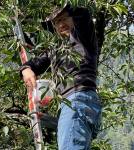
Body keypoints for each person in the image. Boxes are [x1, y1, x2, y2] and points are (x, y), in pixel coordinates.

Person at [20, 4, 102, 150]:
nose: (61, 24)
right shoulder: (56, 49)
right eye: (57, 22)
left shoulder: (81, 37)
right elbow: (36, 63)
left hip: (78, 100)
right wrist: (26, 68)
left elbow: (82, 11)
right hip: (74, 105)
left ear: (74, 19)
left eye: (64, 18)